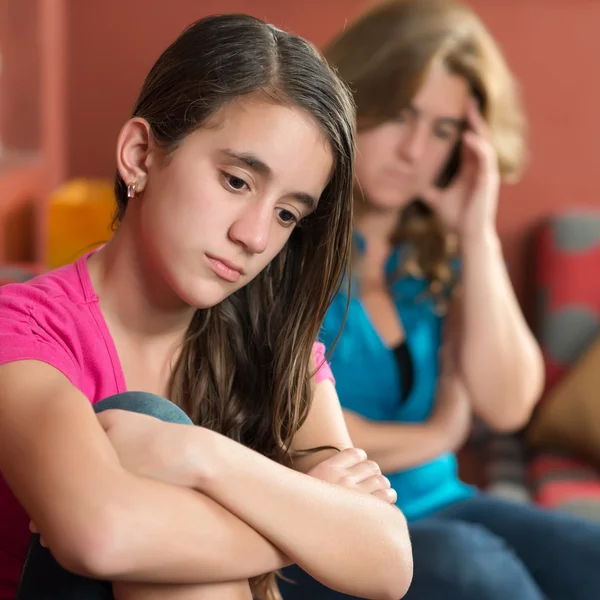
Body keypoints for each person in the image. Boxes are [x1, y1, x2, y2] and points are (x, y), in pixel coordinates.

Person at [0, 14, 413, 600]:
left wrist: (196, 455)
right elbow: (103, 534)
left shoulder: (270, 344)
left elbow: (388, 561)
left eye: (287, 213)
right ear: (141, 155)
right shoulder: (22, 329)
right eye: (238, 181)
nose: (255, 237)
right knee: (147, 412)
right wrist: (305, 519)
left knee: (161, 432)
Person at [278, 1, 600, 599]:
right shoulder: (286, 233)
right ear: (355, 97)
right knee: (475, 569)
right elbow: (298, 431)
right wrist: (438, 434)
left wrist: (476, 232)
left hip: (439, 502)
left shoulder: (435, 253)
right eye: (401, 115)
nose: (415, 150)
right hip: (326, 525)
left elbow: (508, 406)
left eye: (444, 130)